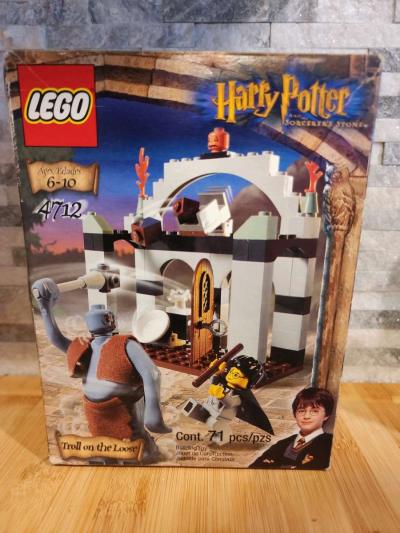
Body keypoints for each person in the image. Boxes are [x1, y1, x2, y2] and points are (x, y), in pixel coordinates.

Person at [249, 387, 334, 469]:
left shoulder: (329, 444)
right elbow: (254, 468)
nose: (306, 416)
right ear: (295, 414)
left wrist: (274, 466)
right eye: (301, 411)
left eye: (314, 411)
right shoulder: (282, 444)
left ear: (326, 415)